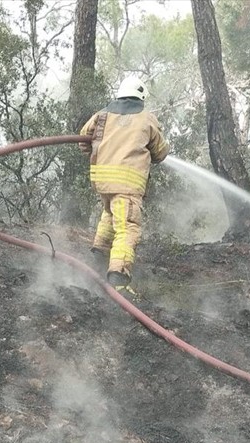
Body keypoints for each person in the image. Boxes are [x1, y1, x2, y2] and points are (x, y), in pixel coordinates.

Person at [78, 75, 170, 295]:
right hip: (128, 184)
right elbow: (160, 152)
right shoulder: (147, 119)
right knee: (127, 228)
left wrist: (103, 152)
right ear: (141, 96)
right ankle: (119, 280)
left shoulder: (101, 115)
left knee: (110, 215)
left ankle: (98, 257)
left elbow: (83, 139)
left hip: (104, 181)